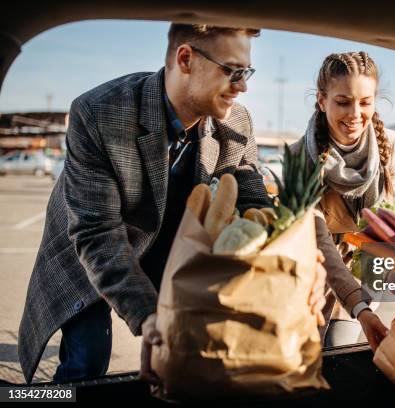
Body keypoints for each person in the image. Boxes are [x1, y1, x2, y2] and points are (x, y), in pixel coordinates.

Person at [18, 23, 326, 385]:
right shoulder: (98, 113)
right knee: (88, 360)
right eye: (234, 71)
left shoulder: (237, 121)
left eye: (248, 72)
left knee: (186, 345)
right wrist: (149, 316)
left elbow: (253, 197)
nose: (244, 86)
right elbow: (97, 233)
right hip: (90, 249)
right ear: (185, 60)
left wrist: (296, 260)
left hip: (170, 246)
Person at [294, 51, 395, 352]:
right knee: (308, 358)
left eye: (365, 102)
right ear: (321, 100)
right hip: (315, 269)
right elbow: (320, 245)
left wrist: (363, 306)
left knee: (339, 349)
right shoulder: (299, 159)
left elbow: (385, 233)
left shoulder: (391, 148)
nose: (355, 114)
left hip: (364, 267)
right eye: (343, 102)